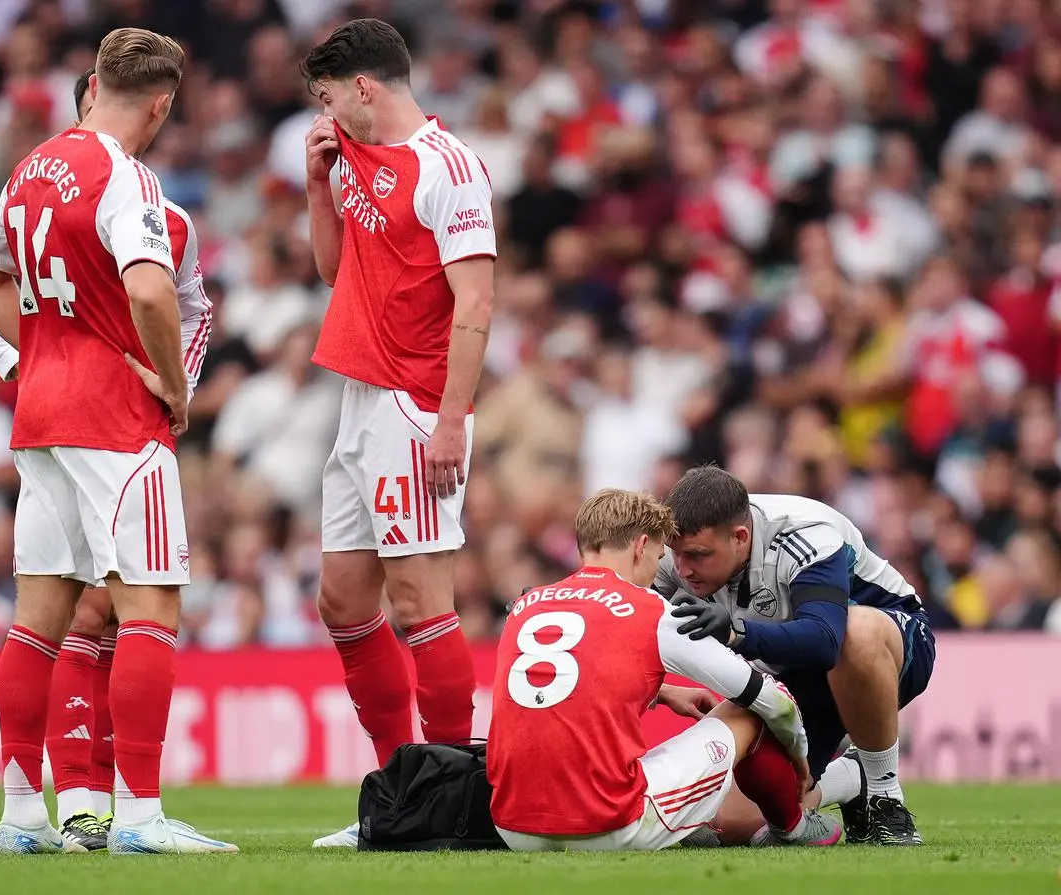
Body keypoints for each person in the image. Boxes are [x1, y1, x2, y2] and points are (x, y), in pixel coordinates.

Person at [0, 28, 235, 856]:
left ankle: (19, 814)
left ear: (91, 89)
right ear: (161, 105)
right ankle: (141, 816)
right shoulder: (128, 177)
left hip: (40, 416)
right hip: (115, 420)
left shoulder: (34, 166)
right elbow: (152, 291)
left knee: (36, 620)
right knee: (150, 606)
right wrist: (173, 385)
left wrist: (23, 361)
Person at [299, 19, 497, 849]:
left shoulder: (449, 170)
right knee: (342, 598)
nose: (325, 111)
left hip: (417, 406)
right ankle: (398, 800)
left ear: (366, 86)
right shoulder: (353, 158)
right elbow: (334, 272)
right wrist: (317, 186)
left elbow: (476, 303)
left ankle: (453, 803)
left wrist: (451, 419)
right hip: (358, 399)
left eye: (329, 95)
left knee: (420, 601)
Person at [487, 488, 842, 852]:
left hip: (512, 827)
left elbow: (565, 679)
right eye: (660, 557)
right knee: (747, 709)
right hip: (605, 826)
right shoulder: (650, 609)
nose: (660, 571)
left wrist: (664, 691)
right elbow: (768, 697)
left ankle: (679, 826)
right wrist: (801, 759)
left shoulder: (525, 604)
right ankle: (794, 827)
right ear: (641, 546)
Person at [656, 465, 935, 846]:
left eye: (697, 556)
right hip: (792, 676)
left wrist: (737, 632)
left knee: (856, 632)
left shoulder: (803, 533)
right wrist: (663, 691)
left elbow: (824, 641)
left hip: (895, 648)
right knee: (737, 824)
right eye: (676, 554)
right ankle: (854, 779)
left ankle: (886, 797)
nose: (682, 568)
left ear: (740, 537)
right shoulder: (678, 554)